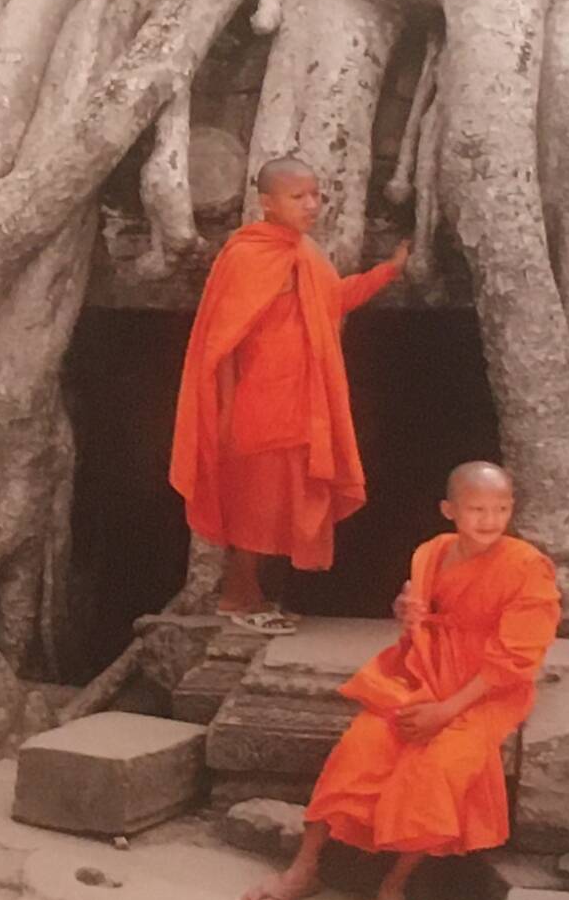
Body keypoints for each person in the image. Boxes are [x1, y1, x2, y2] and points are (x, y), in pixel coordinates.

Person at [247, 463, 561, 900]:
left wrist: (445, 712)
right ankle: (303, 869)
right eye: (477, 509)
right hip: (422, 676)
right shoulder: (432, 552)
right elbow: (422, 614)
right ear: (449, 510)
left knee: (438, 769)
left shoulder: (527, 567)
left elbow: (517, 659)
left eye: (501, 509)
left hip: (484, 692)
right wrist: (405, 611)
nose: (489, 520)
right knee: (360, 748)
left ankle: (391, 891)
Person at [169, 158, 404, 618]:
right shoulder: (246, 255)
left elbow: (332, 301)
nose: (312, 205)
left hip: (303, 405)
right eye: (298, 197)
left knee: (288, 504)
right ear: (267, 203)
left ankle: (257, 596)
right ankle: (237, 596)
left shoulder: (305, 252)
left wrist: (388, 271)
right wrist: (221, 410)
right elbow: (221, 343)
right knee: (254, 508)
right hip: (259, 405)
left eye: (316, 195)